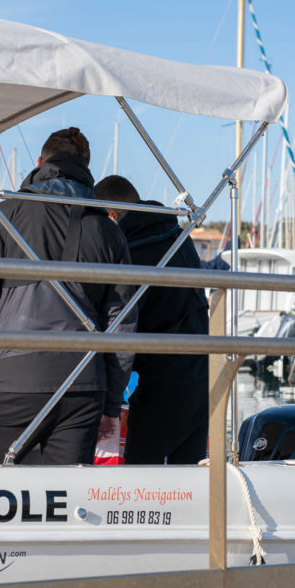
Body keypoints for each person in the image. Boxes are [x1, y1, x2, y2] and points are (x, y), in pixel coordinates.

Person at [0, 128, 136, 464]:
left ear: (39, 163)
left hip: (14, 375)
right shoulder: (109, 230)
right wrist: (111, 404)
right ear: (87, 169)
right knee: (64, 501)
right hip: (83, 384)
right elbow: (122, 325)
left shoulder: (6, 215)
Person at [93, 175, 209, 464]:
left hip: (163, 382)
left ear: (112, 215)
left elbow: (122, 325)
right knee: (189, 482)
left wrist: (109, 401)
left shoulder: (134, 250)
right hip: (202, 374)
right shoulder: (177, 237)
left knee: (141, 479)